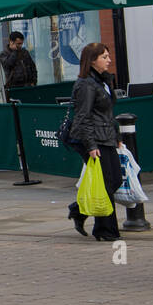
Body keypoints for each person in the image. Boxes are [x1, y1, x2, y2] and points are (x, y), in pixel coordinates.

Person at [66, 43, 122, 240]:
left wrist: (117, 137)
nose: (109, 60)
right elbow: (83, 117)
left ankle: (79, 211)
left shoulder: (103, 81)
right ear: (92, 61)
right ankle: (106, 231)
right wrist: (91, 146)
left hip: (106, 137)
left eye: (108, 55)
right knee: (106, 184)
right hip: (94, 140)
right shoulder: (86, 84)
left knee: (114, 180)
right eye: (104, 57)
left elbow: (107, 112)